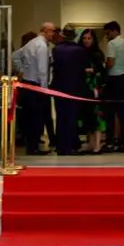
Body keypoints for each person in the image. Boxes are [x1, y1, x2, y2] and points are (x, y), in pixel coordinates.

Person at [18, 23, 56, 155]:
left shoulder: (31, 43)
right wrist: (44, 90)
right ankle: (33, 147)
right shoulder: (42, 46)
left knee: (30, 117)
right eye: (52, 31)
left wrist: (23, 70)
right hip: (36, 86)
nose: (54, 34)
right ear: (46, 31)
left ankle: (31, 146)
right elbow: (42, 70)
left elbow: (16, 56)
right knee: (37, 118)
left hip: (26, 84)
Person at [50, 25, 88, 156]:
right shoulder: (80, 50)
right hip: (74, 88)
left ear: (63, 35)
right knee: (71, 117)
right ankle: (70, 145)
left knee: (61, 117)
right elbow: (82, 69)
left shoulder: (56, 49)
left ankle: (60, 146)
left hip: (59, 87)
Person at [103, 21, 124, 153]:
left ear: (113, 31)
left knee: (110, 113)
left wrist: (105, 66)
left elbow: (111, 62)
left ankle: (110, 141)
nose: (107, 36)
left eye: (108, 33)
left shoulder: (112, 44)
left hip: (113, 79)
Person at [79, 29, 108, 154]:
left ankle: (97, 144)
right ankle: (91, 143)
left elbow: (101, 70)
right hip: (83, 88)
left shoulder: (97, 54)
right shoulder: (80, 52)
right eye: (84, 38)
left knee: (97, 115)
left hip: (94, 88)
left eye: (89, 38)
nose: (86, 41)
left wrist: (91, 71)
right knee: (87, 115)